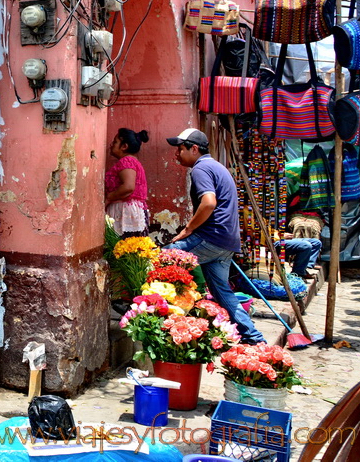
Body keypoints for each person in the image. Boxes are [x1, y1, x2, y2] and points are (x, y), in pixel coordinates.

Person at [166, 128, 265, 345]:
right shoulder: (217, 166)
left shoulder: (201, 169)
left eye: (180, 149)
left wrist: (188, 229)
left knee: (161, 259)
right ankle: (255, 339)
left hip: (210, 237)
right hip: (226, 242)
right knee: (223, 294)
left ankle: (140, 311)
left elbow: (209, 202)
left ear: (194, 149)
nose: (176, 154)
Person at [104, 128, 150, 236]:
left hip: (125, 210)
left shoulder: (126, 161)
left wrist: (109, 198)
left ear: (124, 146)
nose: (111, 145)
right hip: (130, 209)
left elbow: (128, 187)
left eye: (115, 142)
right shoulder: (132, 161)